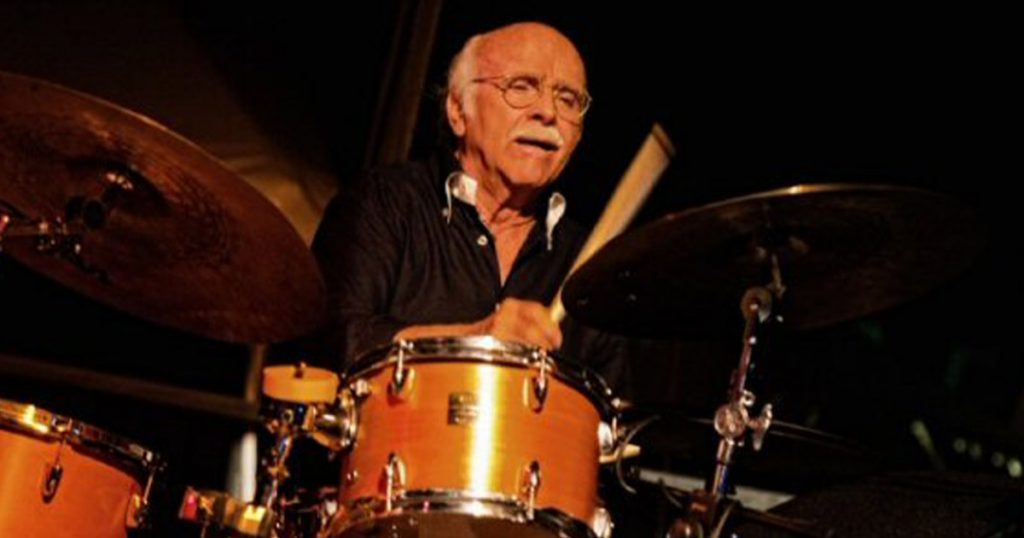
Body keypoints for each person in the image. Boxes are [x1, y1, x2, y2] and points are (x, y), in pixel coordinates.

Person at [311, 21, 628, 392]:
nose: (547, 111)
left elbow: (611, 411)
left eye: (568, 99)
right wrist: (473, 342)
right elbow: (328, 341)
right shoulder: (383, 202)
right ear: (459, 110)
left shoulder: (590, 265)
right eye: (521, 87)